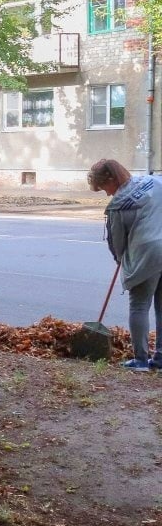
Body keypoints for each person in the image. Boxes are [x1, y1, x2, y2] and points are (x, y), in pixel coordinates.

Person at [89, 159, 162, 371]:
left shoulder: (118, 204)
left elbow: (117, 244)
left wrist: (121, 258)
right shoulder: (153, 181)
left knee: (139, 305)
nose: (107, 194)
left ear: (111, 180)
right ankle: (160, 358)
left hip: (147, 253)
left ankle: (140, 360)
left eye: (104, 188)